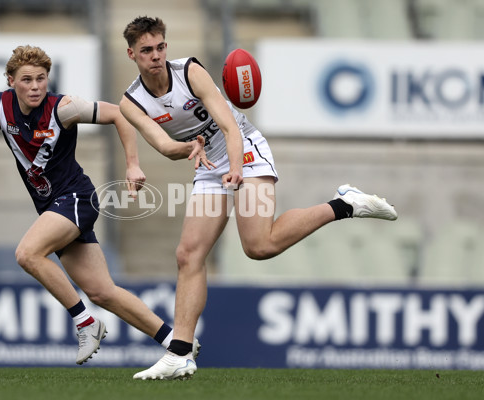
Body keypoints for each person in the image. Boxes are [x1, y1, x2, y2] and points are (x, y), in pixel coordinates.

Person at [120, 16, 398, 380]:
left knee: (260, 245)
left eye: (160, 47)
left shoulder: (189, 72)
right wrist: (188, 146)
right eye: (146, 51)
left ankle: (344, 204)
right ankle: (181, 353)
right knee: (188, 254)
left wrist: (235, 167)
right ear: (131, 54)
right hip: (205, 162)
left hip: (244, 150)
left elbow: (230, 125)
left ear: (166, 46)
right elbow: (163, 145)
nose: (155, 56)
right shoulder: (131, 103)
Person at [0, 45, 199, 365]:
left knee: (28, 253)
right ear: (10, 81)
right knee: (102, 291)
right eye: (27, 80)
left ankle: (86, 323)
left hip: (77, 198)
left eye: (41, 79)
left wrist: (132, 164)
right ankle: (176, 342)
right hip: (53, 207)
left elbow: (119, 113)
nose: (35, 86)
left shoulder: (64, 107)